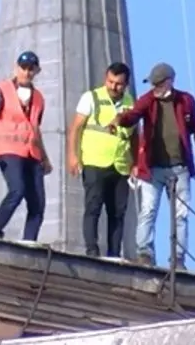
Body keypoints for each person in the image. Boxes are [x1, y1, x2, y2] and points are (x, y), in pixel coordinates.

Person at [110, 62, 195, 267]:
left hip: (180, 168)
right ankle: (145, 253)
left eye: (158, 84)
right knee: (148, 210)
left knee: (180, 215)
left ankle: (178, 259)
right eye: (152, 84)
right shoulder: (147, 100)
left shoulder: (186, 101)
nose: (154, 89)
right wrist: (119, 119)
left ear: (169, 83)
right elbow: (133, 115)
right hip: (152, 168)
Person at [0, 51, 52, 242]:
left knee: (37, 204)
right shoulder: (2, 90)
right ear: (16, 67)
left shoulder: (38, 98)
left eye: (30, 69)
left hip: (32, 153)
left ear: (36, 70)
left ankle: (29, 242)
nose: (26, 72)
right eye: (23, 68)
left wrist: (44, 157)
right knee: (17, 190)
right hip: (8, 150)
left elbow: (35, 128)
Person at [68, 62, 136, 258]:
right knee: (93, 206)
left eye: (118, 84)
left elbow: (134, 134)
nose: (113, 87)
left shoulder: (131, 103)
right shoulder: (92, 97)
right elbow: (76, 128)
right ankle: (92, 249)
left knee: (117, 212)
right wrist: (73, 156)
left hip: (120, 164)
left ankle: (114, 253)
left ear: (126, 84)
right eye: (110, 81)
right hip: (94, 161)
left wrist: (135, 163)